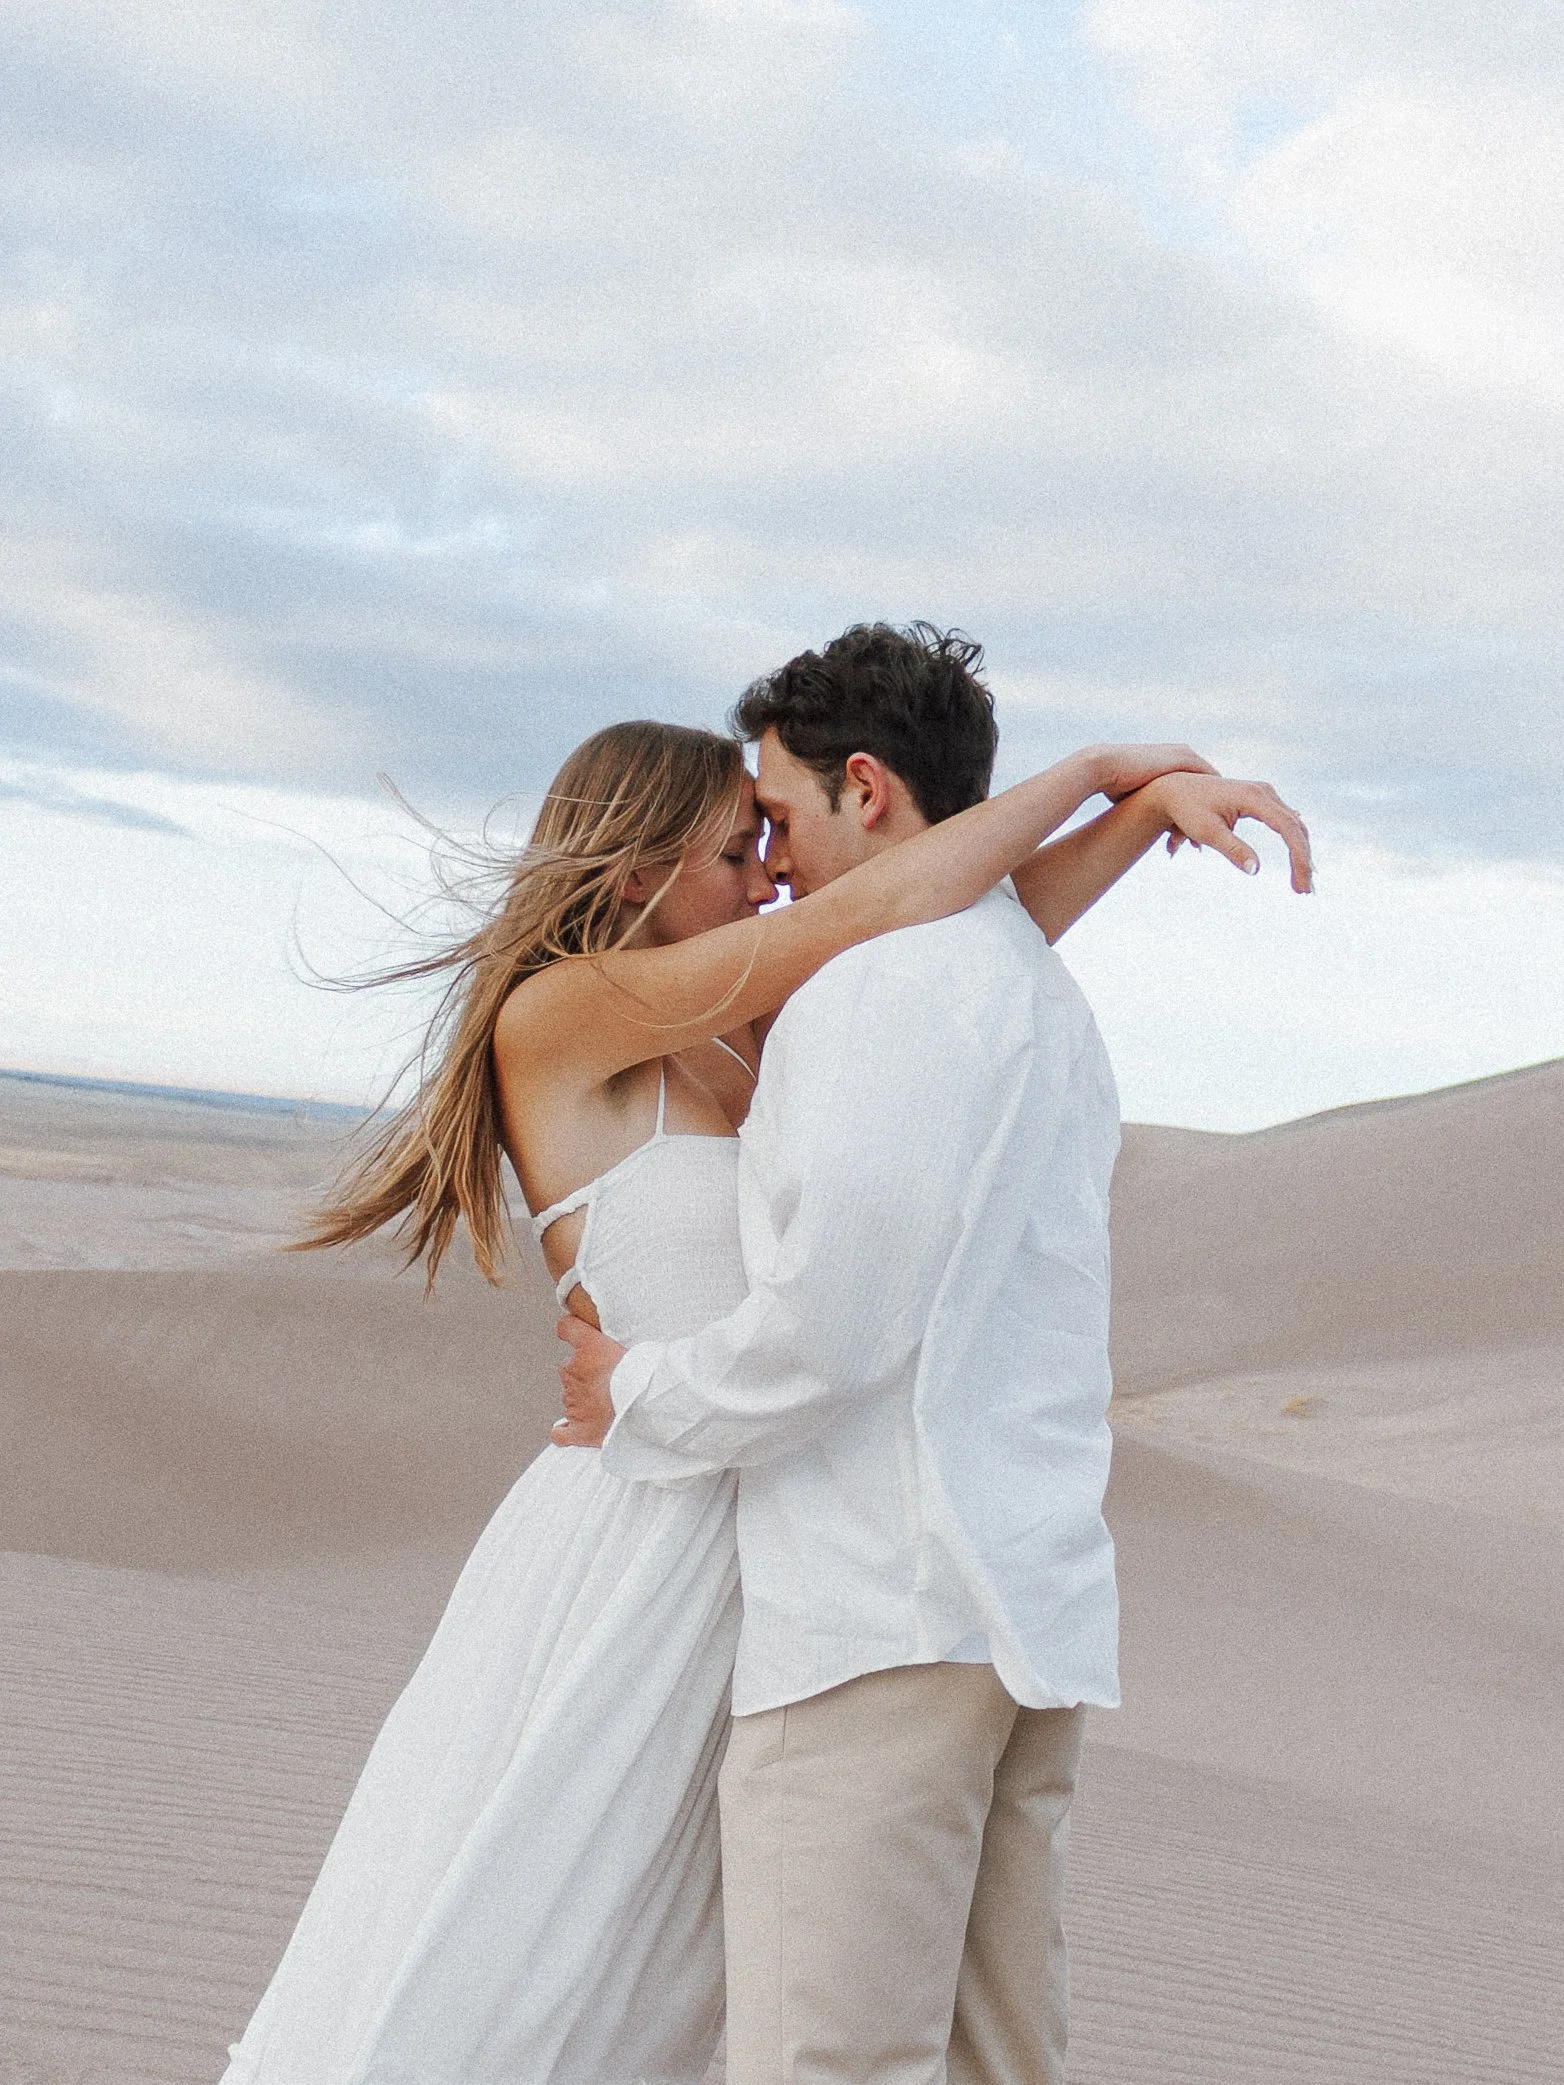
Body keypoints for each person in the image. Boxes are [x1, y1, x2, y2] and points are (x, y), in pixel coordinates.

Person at [219, 661, 1307, 2085]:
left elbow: (954, 940)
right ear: (639, 859)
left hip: (770, 1538)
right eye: (739, 852)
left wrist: (1127, 825)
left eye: (768, 838)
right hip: (631, 1541)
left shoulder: (754, 1027)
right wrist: (1096, 771)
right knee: (524, 1949)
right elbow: (883, 908)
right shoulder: (562, 1018)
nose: (770, 880)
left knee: (706, 1989)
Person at [555, 626, 1311, 2085]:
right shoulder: (1027, 988)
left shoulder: (878, 994)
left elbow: (827, 1328)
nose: (769, 864)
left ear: (866, 790)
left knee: (824, 2063)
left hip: (874, 1615)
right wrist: (1121, 803)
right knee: (998, 2059)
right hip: (1012, 1613)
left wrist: (632, 1389)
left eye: (775, 817)